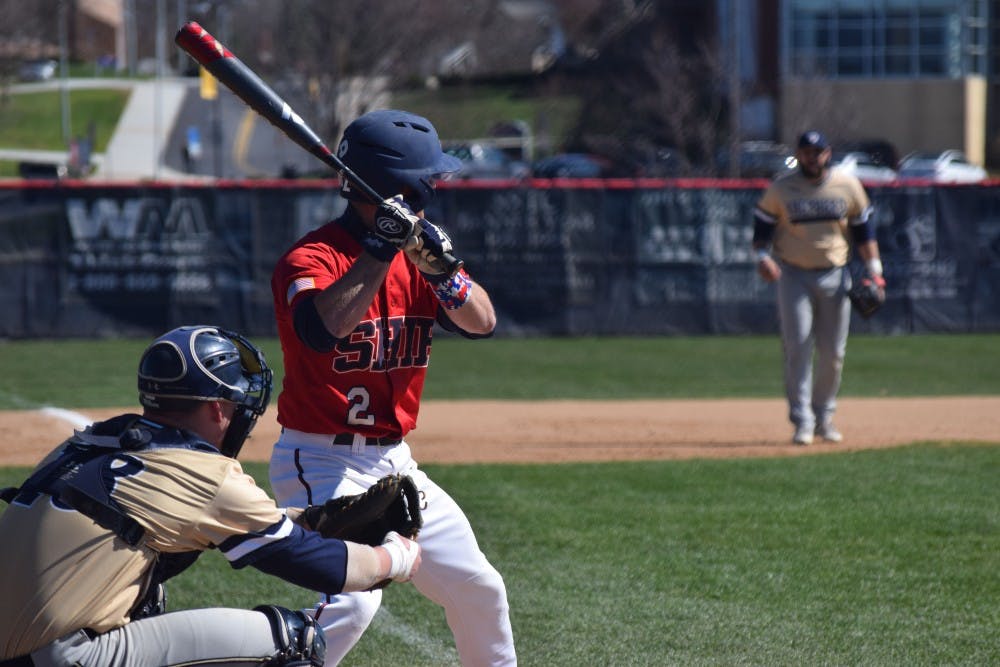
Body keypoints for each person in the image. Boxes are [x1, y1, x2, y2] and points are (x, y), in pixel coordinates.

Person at [0, 325, 421, 666]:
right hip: (66, 656)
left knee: (147, 594)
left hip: (23, 648)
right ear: (218, 409)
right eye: (238, 406)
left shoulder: (97, 440)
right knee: (296, 643)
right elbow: (326, 571)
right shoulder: (205, 475)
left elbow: (199, 518)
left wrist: (308, 521)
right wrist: (396, 557)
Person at [268, 109, 517, 666]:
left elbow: (483, 322)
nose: (436, 188)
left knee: (481, 589)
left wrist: (442, 271)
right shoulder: (309, 259)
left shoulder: (419, 256)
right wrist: (379, 250)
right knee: (353, 605)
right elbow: (320, 330)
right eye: (429, 179)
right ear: (401, 187)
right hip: (319, 461)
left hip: (396, 464)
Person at [752, 130, 886, 445]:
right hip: (793, 274)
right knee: (797, 346)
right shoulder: (781, 189)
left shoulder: (847, 186)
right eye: (807, 151)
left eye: (819, 151)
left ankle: (824, 416)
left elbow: (864, 233)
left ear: (828, 153)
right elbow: (761, 233)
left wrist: (875, 271)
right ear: (799, 154)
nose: (814, 157)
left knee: (833, 353)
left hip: (835, 274)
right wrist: (762, 257)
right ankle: (803, 420)